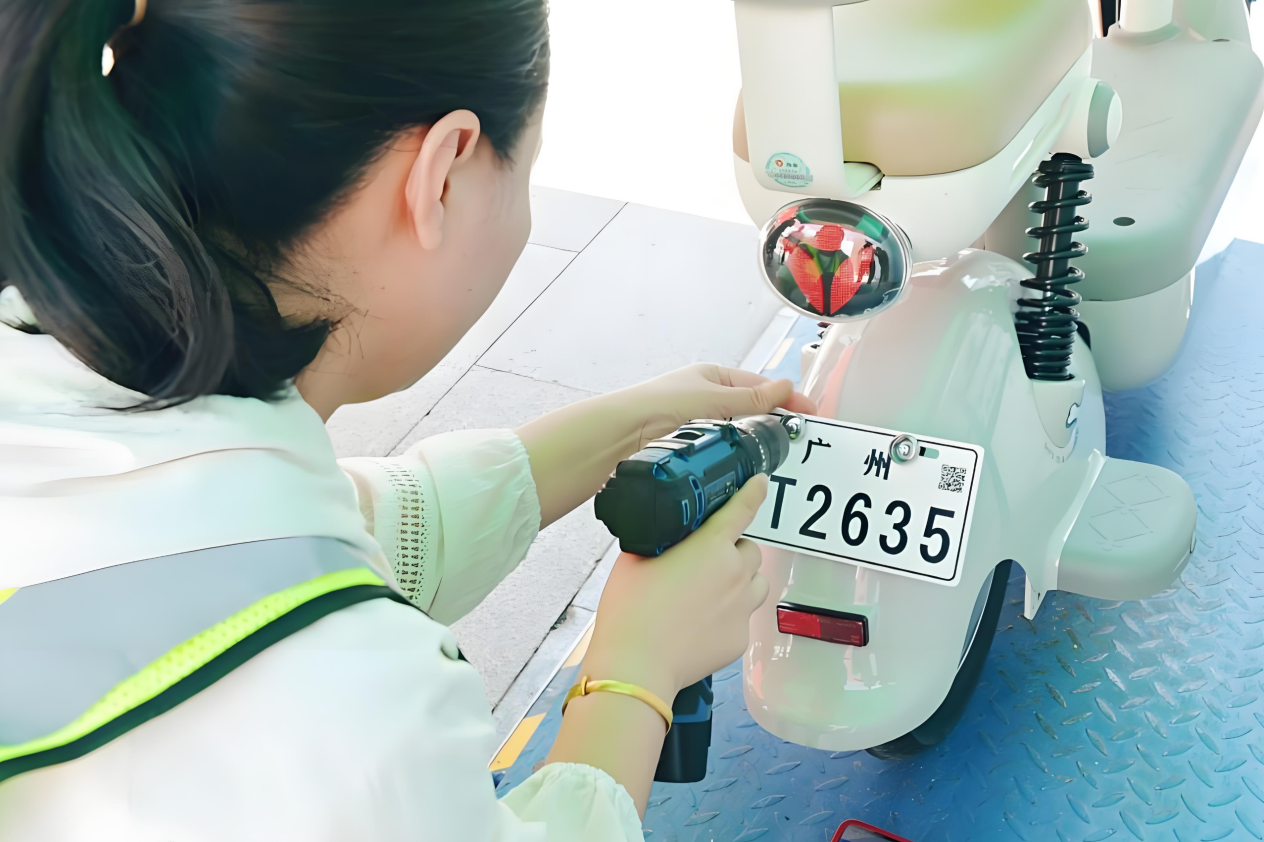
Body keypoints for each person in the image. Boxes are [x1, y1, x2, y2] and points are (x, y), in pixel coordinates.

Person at [0, 1, 815, 839]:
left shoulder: (55, 380)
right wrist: (636, 673)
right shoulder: (352, 715)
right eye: (526, 172)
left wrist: (638, 420)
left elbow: (313, 544)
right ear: (443, 173)